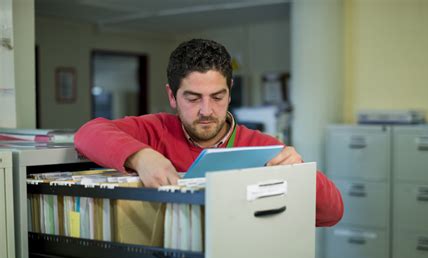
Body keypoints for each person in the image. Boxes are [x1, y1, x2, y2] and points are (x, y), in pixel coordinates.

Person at [74, 38, 343, 227]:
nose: (206, 110)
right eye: (193, 98)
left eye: (217, 96)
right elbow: (88, 133)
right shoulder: (155, 130)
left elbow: (332, 213)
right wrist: (141, 157)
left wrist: (299, 175)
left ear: (230, 91)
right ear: (172, 95)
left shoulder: (260, 146)